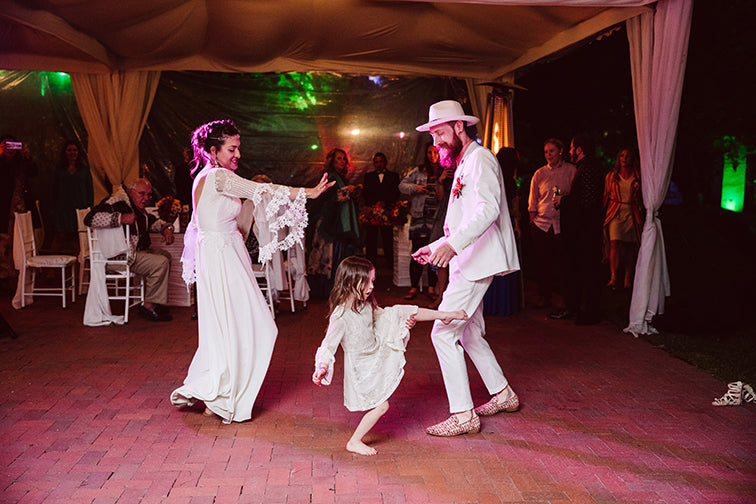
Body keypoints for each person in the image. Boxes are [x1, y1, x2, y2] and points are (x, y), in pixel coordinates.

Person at [171, 119, 333, 424]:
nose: (237, 155)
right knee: (249, 325)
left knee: (231, 327)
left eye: (238, 148)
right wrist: (307, 193)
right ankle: (220, 396)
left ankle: (217, 396)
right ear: (212, 150)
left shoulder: (208, 176)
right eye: (232, 149)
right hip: (221, 257)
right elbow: (261, 189)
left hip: (226, 253)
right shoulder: (217, 176)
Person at [412, 100, 520, 436]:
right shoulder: (464, 161)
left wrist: (452, 246)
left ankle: (463, 415)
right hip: (465, 259)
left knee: (443, 333)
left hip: (476, 260)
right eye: (433, 136)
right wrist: (435, 247)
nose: (436, 143)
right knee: (470, 332)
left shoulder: (480, 159)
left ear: (460, 126)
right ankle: (503, 393)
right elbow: (461, 218)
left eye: (440, 133)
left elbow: (488, 211)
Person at [312, 256, 468, 455]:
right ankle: (354, 441)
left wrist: (403, 323)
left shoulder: (365, 304)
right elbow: (328, 345)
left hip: (374, 354)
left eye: (373, 281)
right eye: (367, 281)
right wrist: (322, 367)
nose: (371, 287)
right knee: (382, 406)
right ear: (351, 282)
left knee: (398, 313)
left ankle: (444, 315)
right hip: (361, 368)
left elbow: (387, 316)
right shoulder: (341, 316)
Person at [84, 178, 175, 322]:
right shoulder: (117, 203)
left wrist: (166, 229)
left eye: (149, 195)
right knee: (161, 262)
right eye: (142, 194)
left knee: (165, 256)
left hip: (135, 252)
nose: (146, 198)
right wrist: (120, 218)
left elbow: (152, 221)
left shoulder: (137, 209)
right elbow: (90, 219)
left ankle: (152, 300)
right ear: (130, 192)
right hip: (119, 255)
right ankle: (149, 306)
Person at [550, 134, 605, 324]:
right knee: (585, 271)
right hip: (586, 230)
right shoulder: (588, 167)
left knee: (587, 271)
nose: (571, 151)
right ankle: (583, 310)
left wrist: (563, 200)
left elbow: (587, 202)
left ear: (580, 149)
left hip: (586, 231)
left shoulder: (588, 168)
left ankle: (587, 312)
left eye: (573, 148)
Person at [527, 138, 576, 309]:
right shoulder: (540, 174)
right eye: (546, 151)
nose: (548, 155)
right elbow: (532, 202)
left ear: (561, 151)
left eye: (552, 151)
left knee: (564, 263)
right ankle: (544, 296)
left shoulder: (571, 171)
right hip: (542, 225)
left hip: (562, 225)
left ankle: (566, 298)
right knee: (543, 263)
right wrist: (532, 223)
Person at [307, 148, 362, 298]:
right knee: (329, 257)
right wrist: (345, 192)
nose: (342, 161)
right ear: (332, 160)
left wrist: (353, 191)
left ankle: (338, 289)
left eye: (344, 159)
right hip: (330, 225)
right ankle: (328, 290)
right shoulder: (329, 178)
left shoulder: (341, 178)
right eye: (339, 158)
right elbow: (324, 200)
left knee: (340, 256)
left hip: (340, 224)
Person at [399, 143, 441, 300]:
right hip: (419, 215)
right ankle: (413, 288)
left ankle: (431, 287)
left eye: (435, 152)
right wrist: (415, 188)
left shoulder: (445, 170)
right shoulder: (419, 170)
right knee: (417, 251)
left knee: (435, 253)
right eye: (429, 152)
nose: (432, 155)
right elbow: (402, 185)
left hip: (436, 218)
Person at [483, 147, 522, 316]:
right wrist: (517, 222)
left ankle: (490, 304)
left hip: (491, 227)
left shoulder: (491, 179)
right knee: (506, 263)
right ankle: (505, 304)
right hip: (506, 226)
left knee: (493, 263)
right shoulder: (511, 183)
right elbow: (515, 209)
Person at [603, 148, 643, 289]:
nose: (624, 158)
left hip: (631, 212)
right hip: (616, 212)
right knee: (615, 243)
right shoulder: (612, 176)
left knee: (630, 246)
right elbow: (605, 195)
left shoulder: (638, 176)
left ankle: (628, 278)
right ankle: (613, 277)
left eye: (627, 156)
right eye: (622, 156)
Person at [51, 141, 94, 254]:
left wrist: (89, 209)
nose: (72, 152)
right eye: (69, 150)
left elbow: (90, 190)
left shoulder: (84, 170)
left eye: (75, 150)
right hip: (62, 209)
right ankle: (52, 269)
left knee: (77, 237)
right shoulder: (59, 170)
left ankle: (79, 266)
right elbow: (54, 189)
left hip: (79, 208)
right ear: (65, 152)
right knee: (60, 236)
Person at [362, 152, 400, 268]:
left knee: (387, 238)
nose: (378, 164)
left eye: (381, 161)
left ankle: (390, 265)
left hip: (387, 211)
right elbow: (366, 193)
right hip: (372, 211)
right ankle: (370, 265)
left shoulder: (393, 176)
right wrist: (374, 205)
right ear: (374, 163)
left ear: (385, 162)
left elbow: (396, 193)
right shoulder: (368, 176)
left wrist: (385, 204)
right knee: (371, 239)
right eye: (376, 162)